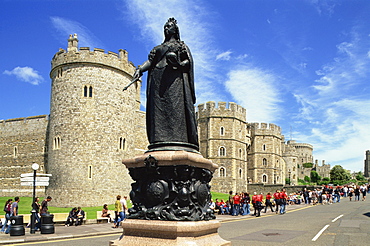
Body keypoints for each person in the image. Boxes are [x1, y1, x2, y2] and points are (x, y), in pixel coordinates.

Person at [130, 17, 198, 152]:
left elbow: (188, 63)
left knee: (175, 110)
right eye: (165, 27)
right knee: (158, 112)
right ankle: (159, 140)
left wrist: (178, 64)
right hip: (157, 80)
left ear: (175, 29)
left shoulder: (181, 46)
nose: (166, 29)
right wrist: (140, 69)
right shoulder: (158, 48)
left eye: (169, 26)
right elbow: (150, 61)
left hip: (174, 81)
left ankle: (178, 139)